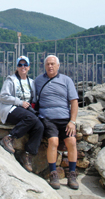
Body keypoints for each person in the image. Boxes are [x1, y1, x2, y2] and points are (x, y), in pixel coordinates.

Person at [33, 55, 79, 190]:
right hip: (47, 117)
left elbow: (74, 101)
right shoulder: (38, 81)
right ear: (44, 66)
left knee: (71, 142)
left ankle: (72, 174)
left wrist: (72, 121)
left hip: (65, 118)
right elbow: (33, 98)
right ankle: (53, 173)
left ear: (58, 66)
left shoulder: (66, 80)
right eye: (48, 64)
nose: (50, 66)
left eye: (53, 64)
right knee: (53, 141)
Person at [0, 55, 44, 172]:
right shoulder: (11, 80)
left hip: (25, 111)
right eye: (20, 65)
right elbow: (3, 96)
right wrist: (19, 102)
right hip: (10, 109)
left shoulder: (31, 82)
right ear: (17, 67)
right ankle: (9, 138)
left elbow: (33, 99)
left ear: (28, 67)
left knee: (39, 126)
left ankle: (28, 154)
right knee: (31, 118)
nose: (22, 67)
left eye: (25, 65)